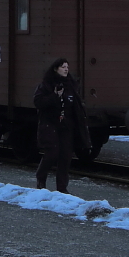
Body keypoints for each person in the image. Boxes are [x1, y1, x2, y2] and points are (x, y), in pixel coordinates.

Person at [33, 57, 90, 193]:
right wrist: (54, 96)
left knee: (66, 156)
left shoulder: (71, 85)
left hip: (66, 125)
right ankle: (41, 178)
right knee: (52, 153)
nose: (66, 70)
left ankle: (62, 188)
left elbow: (75, 105)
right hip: (50, 124)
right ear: (55, 69)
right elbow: (38, 102)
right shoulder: (46, 85)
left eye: (67, 67)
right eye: (63, 67)